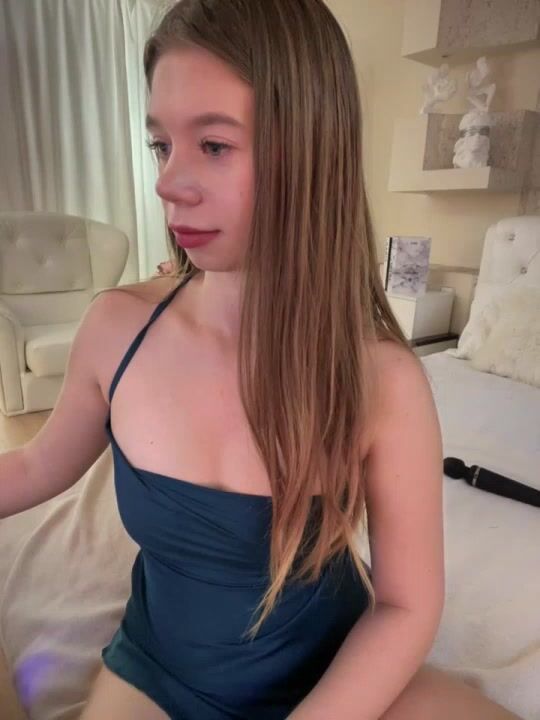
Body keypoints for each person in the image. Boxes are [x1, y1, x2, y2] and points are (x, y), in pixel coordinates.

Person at [0, 1, 523, 718]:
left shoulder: (383, 380)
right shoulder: (117, 329)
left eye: (213, 145)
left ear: (309, 151)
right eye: (161, 145)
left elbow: (405, 606)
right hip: (162, 672)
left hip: (333, 673)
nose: (168, 181)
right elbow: (35, 465)